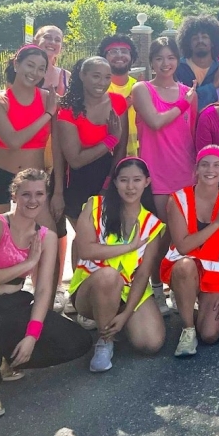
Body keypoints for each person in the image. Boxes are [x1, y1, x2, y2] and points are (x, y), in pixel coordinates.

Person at [0, 169, 91, 419]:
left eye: (39, 194)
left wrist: (32, 336)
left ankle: (3, 359)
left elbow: (44, 289)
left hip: (14, 305)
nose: (32, 201)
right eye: (25, 194)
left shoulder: (47, 236)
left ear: (46, 196)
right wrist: (27, 263)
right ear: (14, 195)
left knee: (78, 341)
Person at [70, 157, 166, 372]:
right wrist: (129, 247)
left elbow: (143, 275)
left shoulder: (152, 224)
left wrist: (126, 314)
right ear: (115, 182)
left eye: (136, 180)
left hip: (128, 292)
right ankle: (105, 341)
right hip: (91, 289)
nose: (130, 187)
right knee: (109, 276)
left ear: (147, 182)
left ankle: (117, 320)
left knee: (151, 344)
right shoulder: (95, 206)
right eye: (123, 180)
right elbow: (85, 249)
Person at [161, 145, 219, 356]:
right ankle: (187, 328)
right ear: (196, 169)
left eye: (216, 165)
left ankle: (195, 308)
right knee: (186, 267)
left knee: (209, 335)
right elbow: (184, 246)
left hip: (215, 276)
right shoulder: (178, 199)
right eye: (204, 165)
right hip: (184, 269)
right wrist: (215, 224)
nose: (210, 170)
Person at [0, 45, 58, 229]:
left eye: (41, 69)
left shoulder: (49, 99)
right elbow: (13, 141)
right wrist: (48, 114)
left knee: (47, 236)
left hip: (35, 181)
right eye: (30, 65)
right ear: (16, 64)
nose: (34, 72)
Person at [56, 57, 129, 231]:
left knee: (104, 236)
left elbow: (121, 148)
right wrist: (110, 139)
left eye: (107, 77)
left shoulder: (118, 102)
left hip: (107, 174)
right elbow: (75, 160)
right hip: (76, 181)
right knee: (83, 237)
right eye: (96, 76)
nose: (102, 82)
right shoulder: (68, 109)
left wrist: (109, 182)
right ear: (82, 75)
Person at [133, 37, 198, 219]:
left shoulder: (189, 93)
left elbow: (191, 134)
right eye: (159, 58)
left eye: (171, 57)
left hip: (186, 172)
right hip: (156, 173)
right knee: (162, 231)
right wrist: (183, 105)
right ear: (152, 62)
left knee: (184, 231)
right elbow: (155, 122)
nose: (165, 63)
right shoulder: (142, 89)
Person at [174, 16, 219, 112]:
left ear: (213, 42)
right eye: (195, 38)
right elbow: (181, 104)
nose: (200, 41)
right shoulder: (177, 69)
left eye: (204, 37)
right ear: (189, 44)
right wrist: (213, 86)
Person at [97, 33, 140, 155]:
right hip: (104, 153)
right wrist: (125, 103)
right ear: (104, 57)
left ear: (132, 57)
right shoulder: (98, 87)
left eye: (124, 51)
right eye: (113, 51)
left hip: (137, 155)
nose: (119, 55)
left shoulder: (140, 87)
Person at [34, 24, 70, 95]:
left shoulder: (67, 76)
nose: (52, 42)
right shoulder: (25, 73)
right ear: (36, 41)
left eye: (57, 40)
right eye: (47, 37)